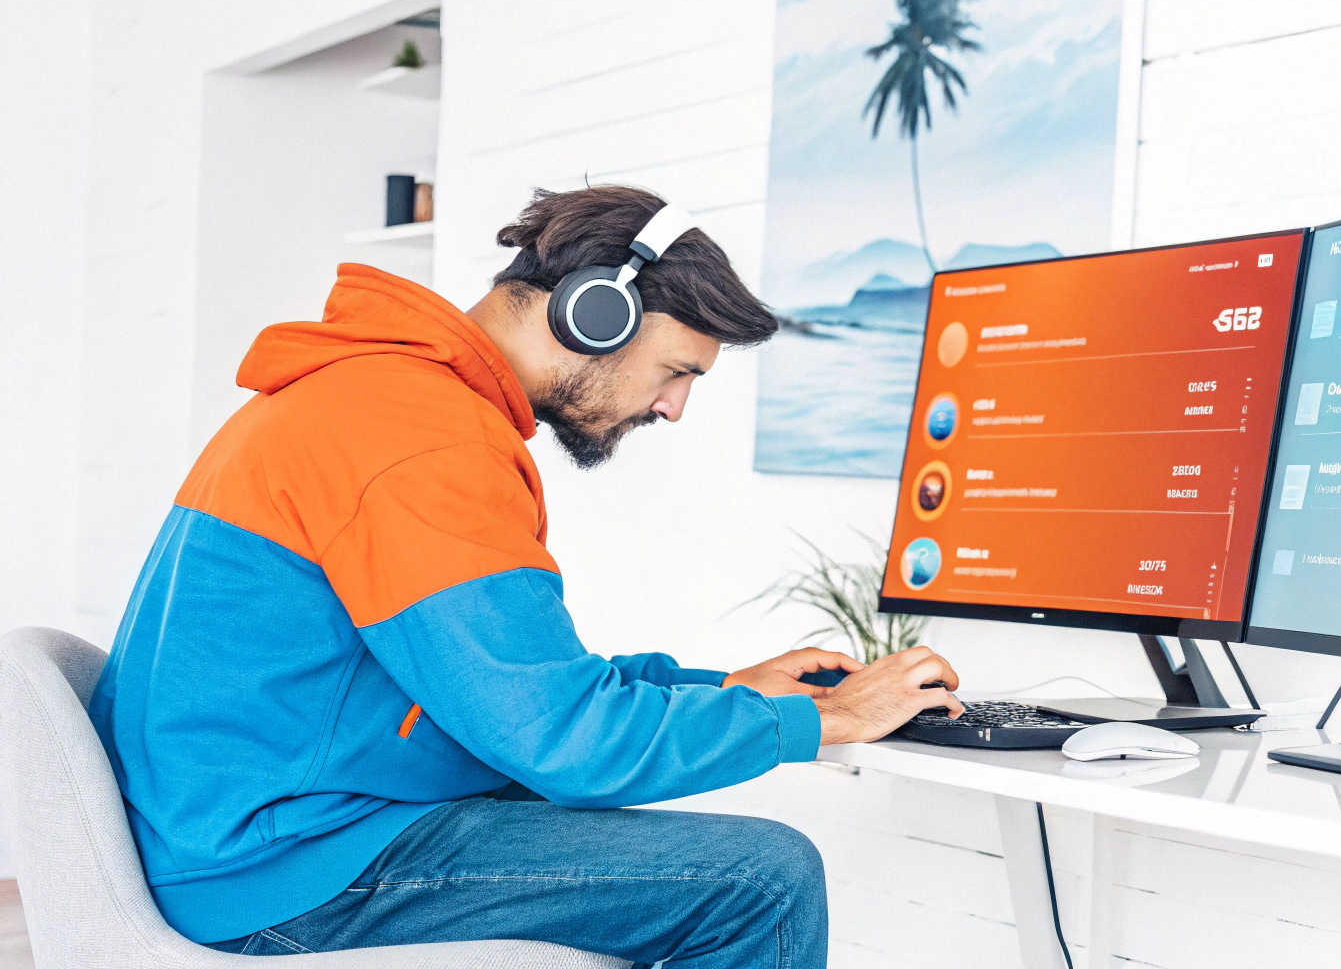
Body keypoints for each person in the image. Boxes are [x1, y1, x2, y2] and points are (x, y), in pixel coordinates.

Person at [87, 185, 964, 967]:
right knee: (761, 878)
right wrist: (825, 718)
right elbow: (561, 741)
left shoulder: (372, 399)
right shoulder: (421, 442)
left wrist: (723, 689)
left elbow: (503, 685)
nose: (674, 407)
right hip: (282, 868)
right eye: (677, 371)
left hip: (249, 824)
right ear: (595, 315)